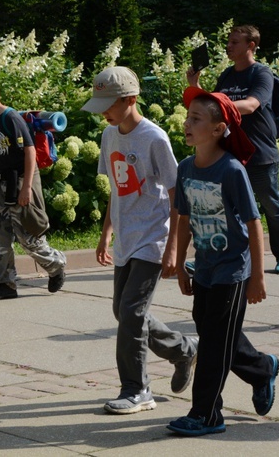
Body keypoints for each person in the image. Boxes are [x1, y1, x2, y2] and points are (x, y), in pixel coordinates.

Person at [82, 66, 198, 415]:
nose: (103, 111)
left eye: (109, 104)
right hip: (125, 237)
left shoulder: (154, 138)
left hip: (152, 236)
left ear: (130, 99)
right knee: (124, 311)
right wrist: (105, 234)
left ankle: (137, 389)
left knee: (131, 312)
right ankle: (182, 349)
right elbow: (116, 191)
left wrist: (175, 247)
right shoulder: (109, 136)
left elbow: (180, 196)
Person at [168, 87, 279, 436]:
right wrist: (181, 263)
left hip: (233, 270)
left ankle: (207, 414)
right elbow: (184, 219)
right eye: (188, 117)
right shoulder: (186, 168)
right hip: (203, 268)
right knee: (213, 330)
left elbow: (254, 224)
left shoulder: (231, 170)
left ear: (218, 129)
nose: (187, 123)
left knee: (215, 343)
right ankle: (262, 369)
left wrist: (257, 276)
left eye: (196, 119)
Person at [187, 24, 279, 275]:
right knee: (224, 208)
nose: (229, 46)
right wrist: (197, 85)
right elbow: (213, 110)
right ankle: (216, 257)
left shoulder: (261, 74)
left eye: (235, 42)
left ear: (251, 46)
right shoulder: (226, 75)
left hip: (260, 152)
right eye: (229, 41)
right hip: (230, 152)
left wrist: (225, 103)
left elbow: (253, 104)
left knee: (270, 205)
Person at [0, 75, 66, 300]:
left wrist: (27, 188)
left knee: (28, 237)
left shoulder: (10, 118)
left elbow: (30, 152)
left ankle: (56, 265)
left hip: (21, 180)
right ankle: (5, 285)